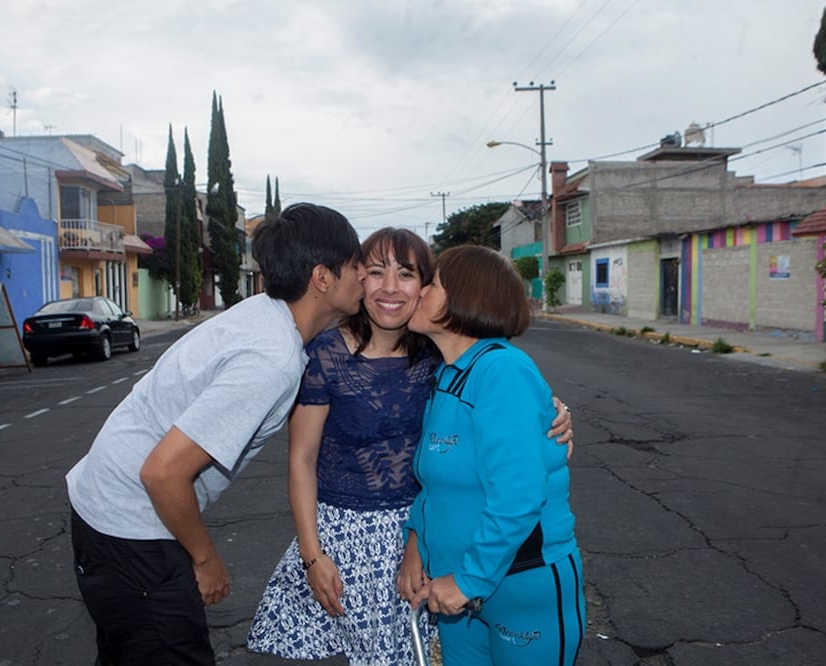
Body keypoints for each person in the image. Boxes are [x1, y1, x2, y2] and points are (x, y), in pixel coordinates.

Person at [247, 229, 574, 665]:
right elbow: (421, 479)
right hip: (398, 555)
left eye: (414, 277)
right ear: (359, 279)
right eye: (376, 272)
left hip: (493, 571)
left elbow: (517, 479)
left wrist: (550, 414)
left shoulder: (455, 361)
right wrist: (317, 555)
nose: (395, 289)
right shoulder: (433, 370)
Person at [66, 202, 365, 665]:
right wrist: (205, 560)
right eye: (357, 266)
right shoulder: (270, 359)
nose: (365, 277)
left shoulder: (265, 314)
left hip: (109, 513)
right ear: (323, 278)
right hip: (131, 528)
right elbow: (163, 473)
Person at [399, 244, 585, 666]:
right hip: (458, 587)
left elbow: (518, 496)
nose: (420, 292)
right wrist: (416, 541)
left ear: (465, 299)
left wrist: (468, 582)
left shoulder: (502, 372)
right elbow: (435, 484)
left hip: (519, 585)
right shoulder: (447, 376)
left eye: (433, 283)